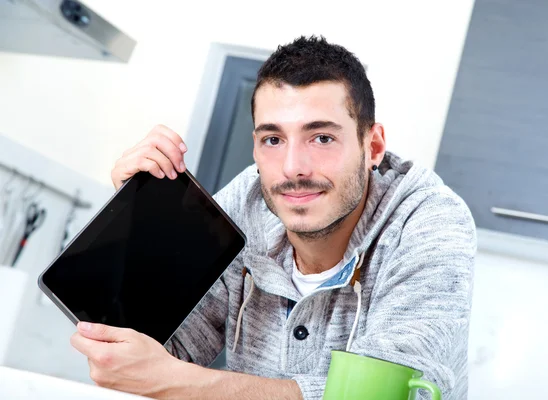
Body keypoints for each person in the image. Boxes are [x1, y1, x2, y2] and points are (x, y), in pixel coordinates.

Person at [70, 35, 476, 400]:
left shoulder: (428, 222)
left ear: (372, 147)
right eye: (273, 139)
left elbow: (393, 395)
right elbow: (158, 355)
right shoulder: (242, 208)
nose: (293, 167)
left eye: (322, 137)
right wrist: (136, 223)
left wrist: (181, 381)